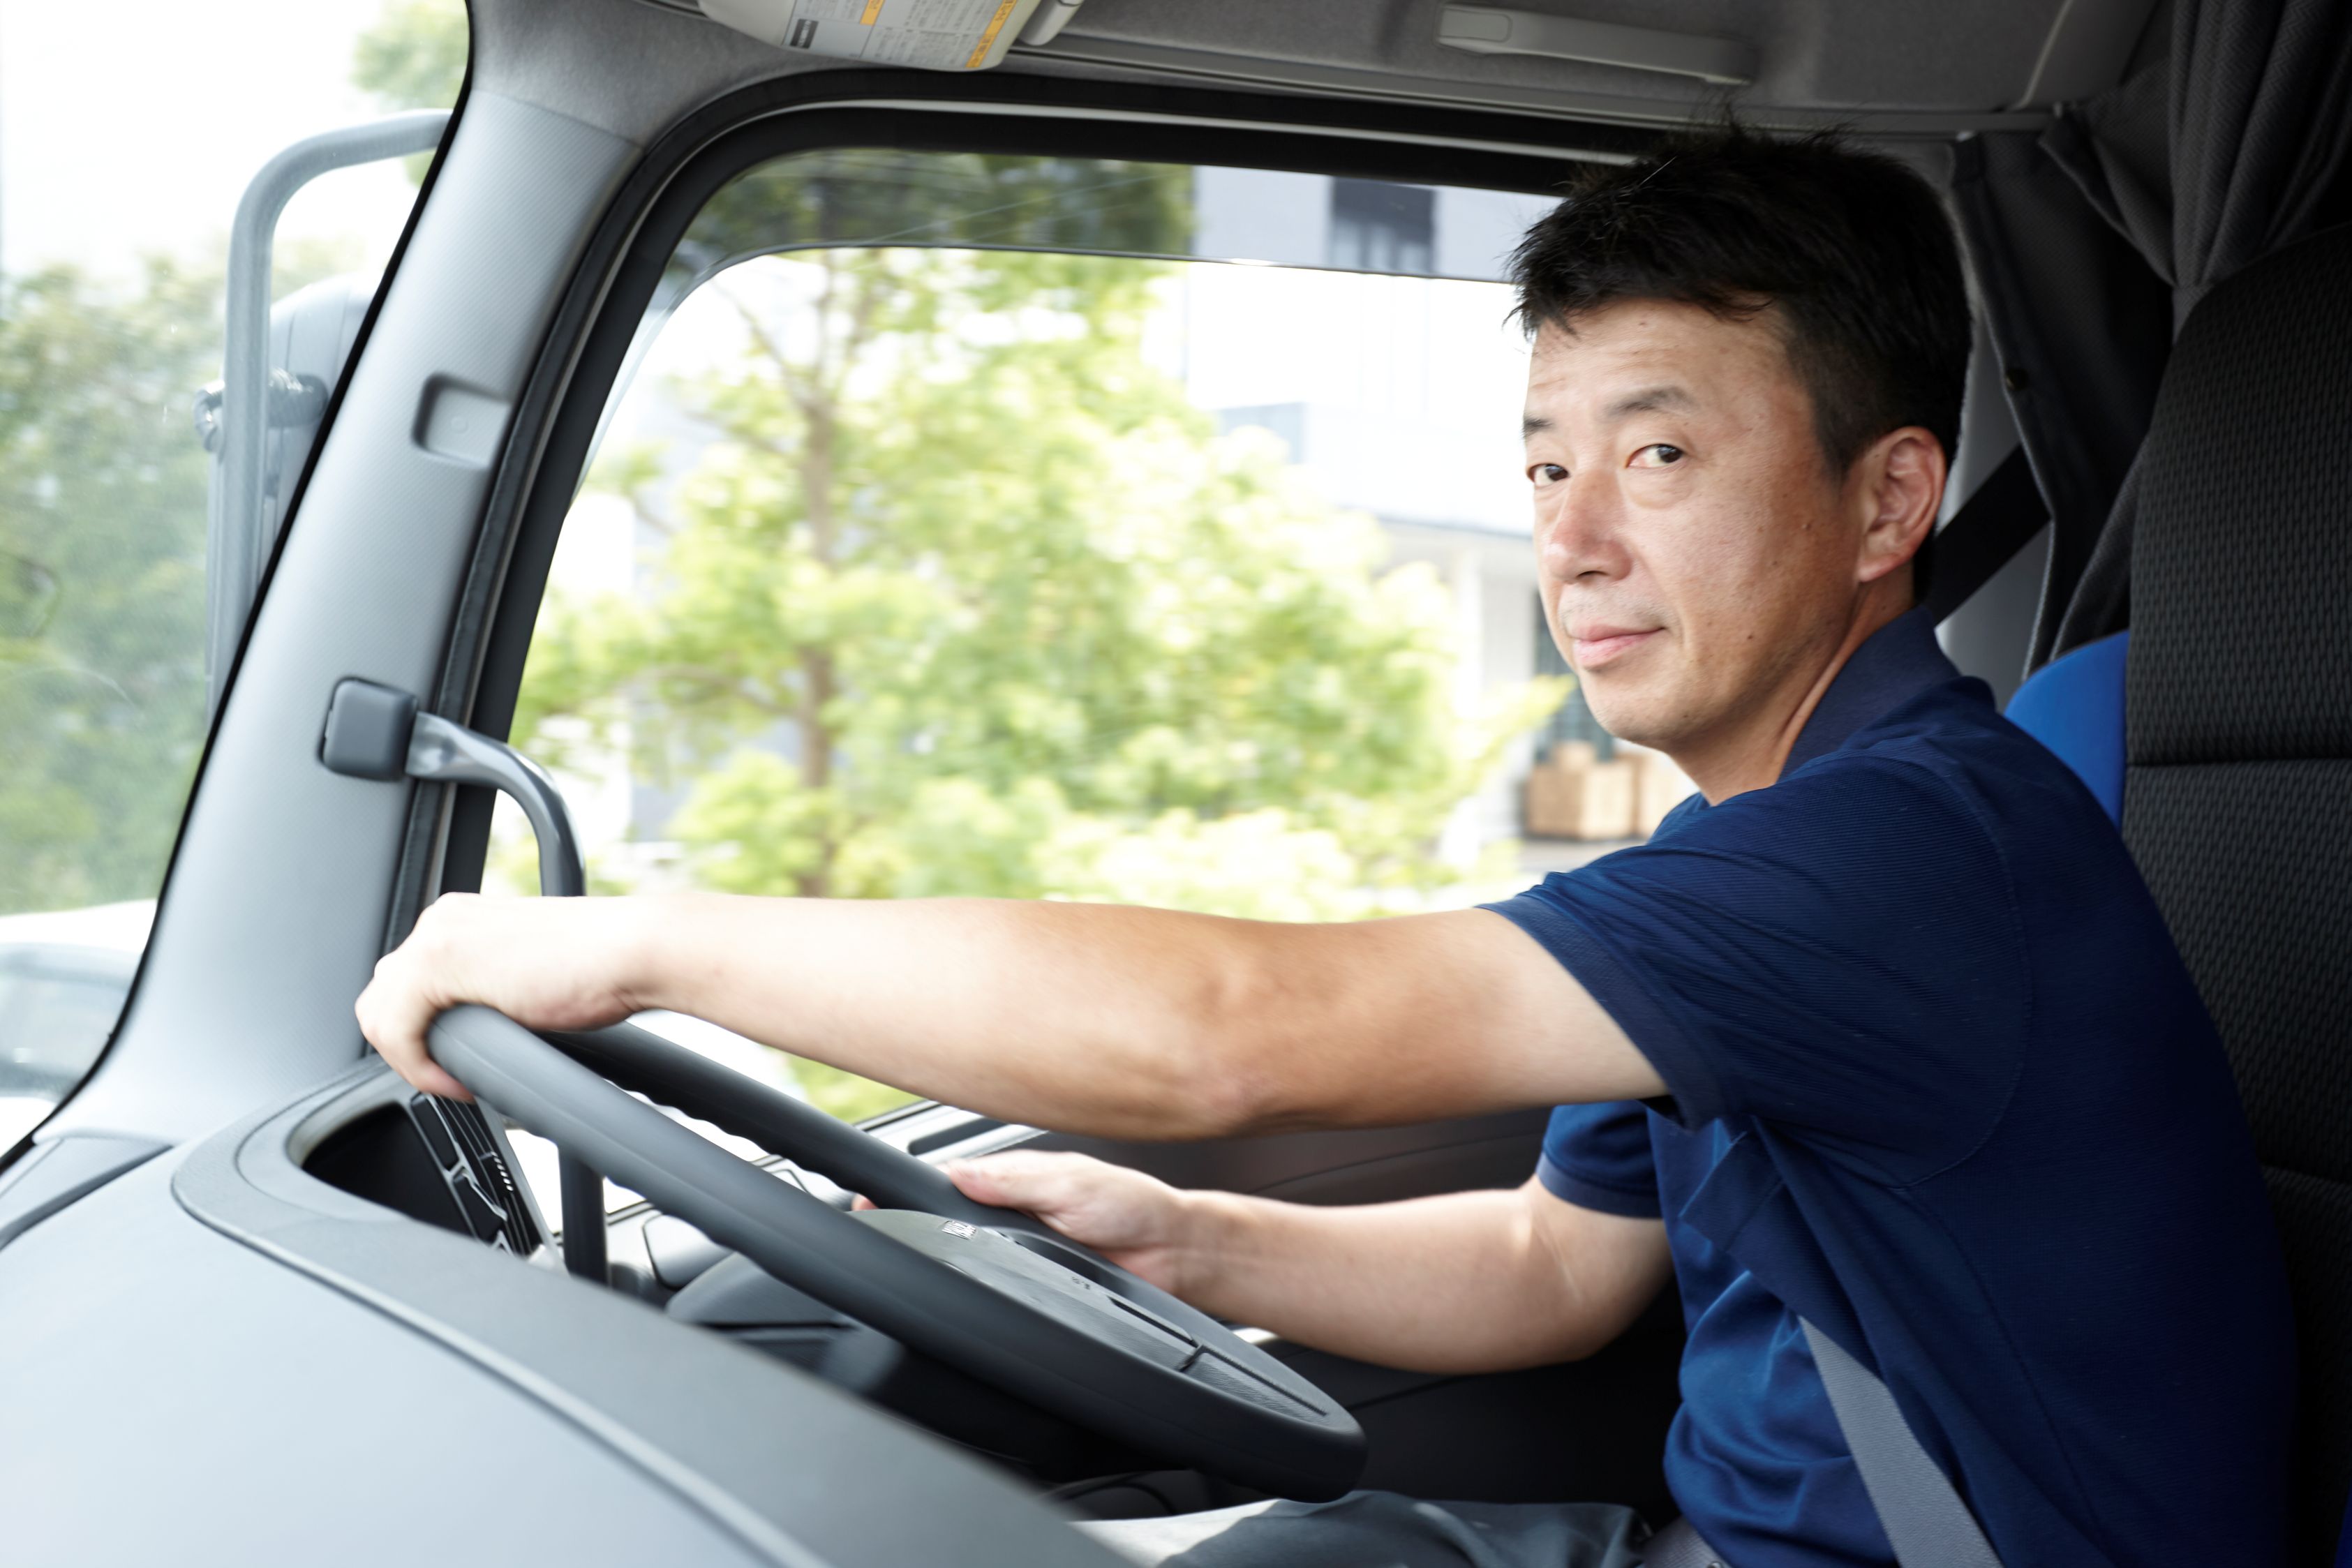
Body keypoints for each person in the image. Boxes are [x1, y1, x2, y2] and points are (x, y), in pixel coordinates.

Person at [356, 127, 2295, 1568]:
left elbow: (1225, 1031)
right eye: (1546, 465)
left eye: (1660, 453)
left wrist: (634, 945)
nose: (1573, 539)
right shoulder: (1758, 839)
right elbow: (1555, 1267)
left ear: (1887, 504)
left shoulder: (1895, 860)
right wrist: (1186, 1242)